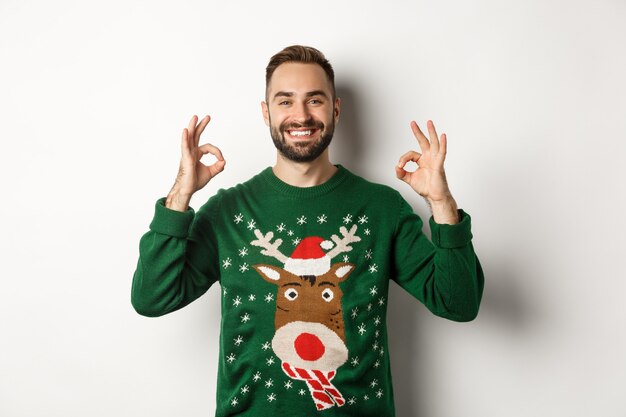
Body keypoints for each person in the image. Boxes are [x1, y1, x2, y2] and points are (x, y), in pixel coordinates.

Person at [131, 45, 484, 416]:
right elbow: (152, 298)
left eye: (314, 100)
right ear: (266, 112)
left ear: (335, 109)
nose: (300, 115)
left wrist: (442, 204)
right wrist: (180, 196)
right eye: (285, 101)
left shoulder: (382, 208)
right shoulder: (227, 211)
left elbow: (458, 303)